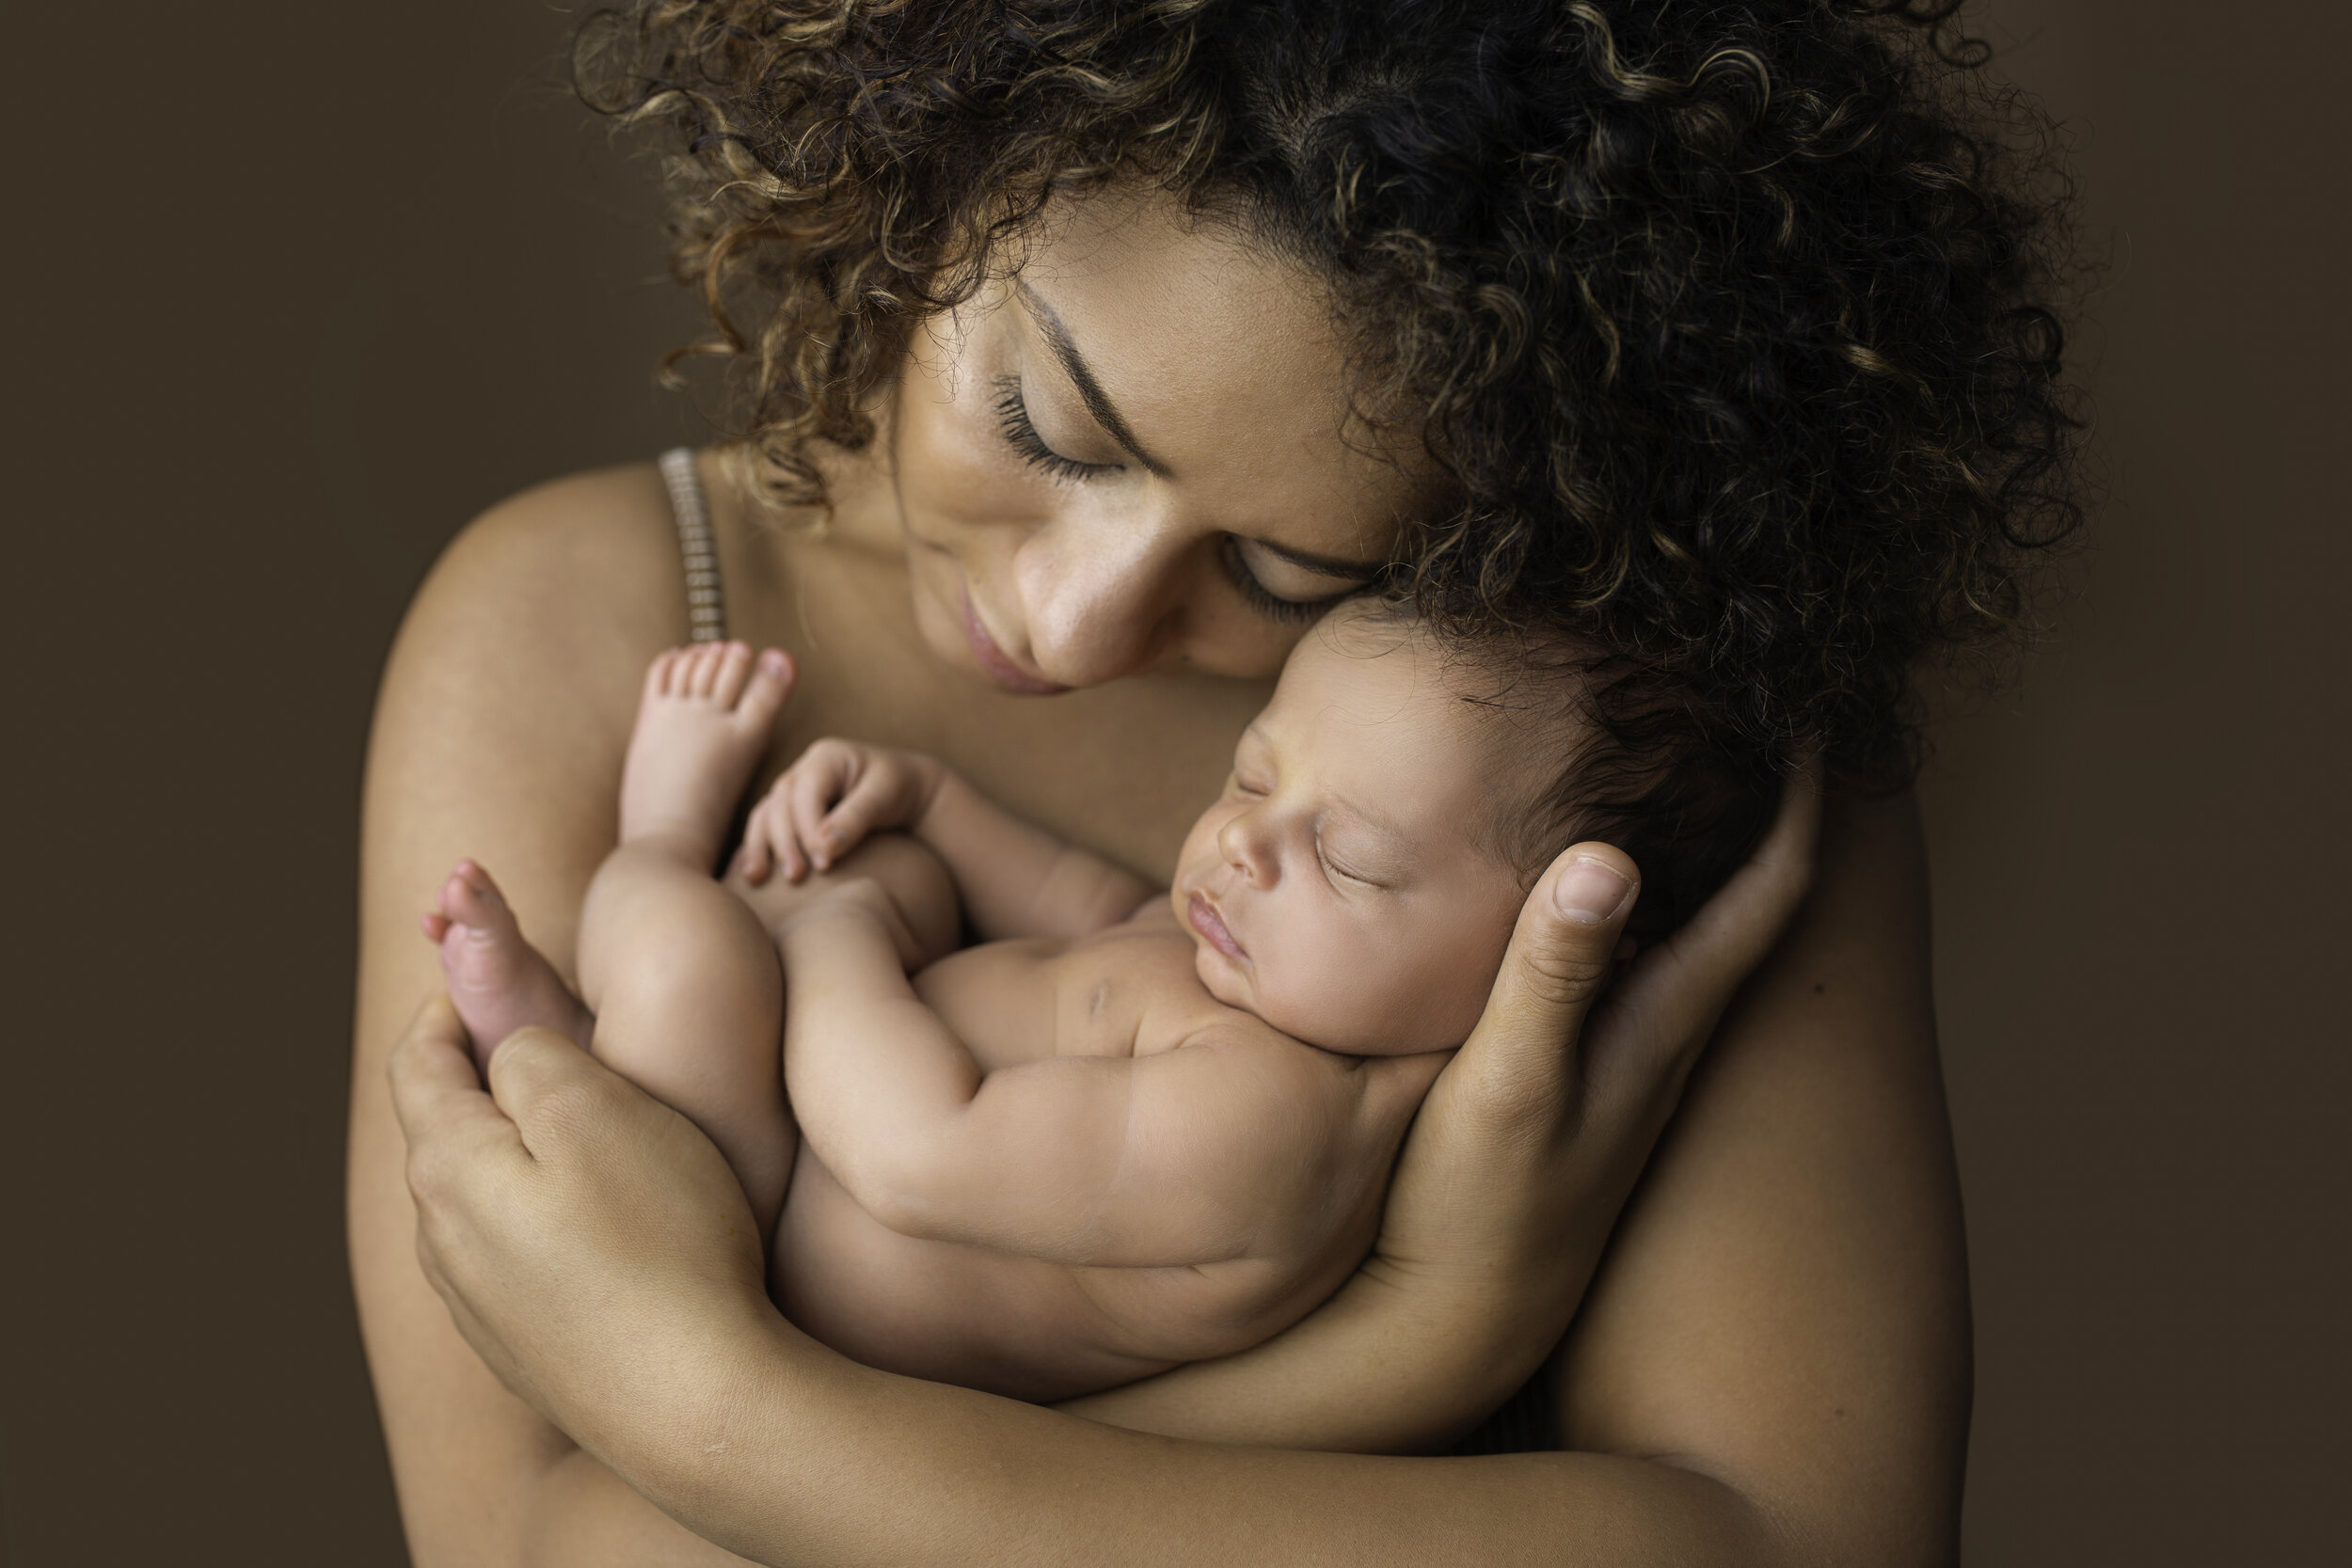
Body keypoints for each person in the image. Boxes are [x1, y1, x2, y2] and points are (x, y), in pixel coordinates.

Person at [356, 1, 2078, 1561]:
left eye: (1284, 571)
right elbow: (541, 1547)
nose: (1073, 618)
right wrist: (1410, 1337)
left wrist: (703, 1407)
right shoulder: (589, 616)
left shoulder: (1628, 732)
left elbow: (1800, 1550)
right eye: (1047, 426)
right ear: (940, 167)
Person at [424, 599, 1763, 1403]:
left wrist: (834, 932)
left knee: (688, 962)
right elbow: (1084, 905)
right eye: (1252, 778)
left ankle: (646, 851)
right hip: (830, 1077)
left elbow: (914, 1152)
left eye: (1348, 858)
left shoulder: (1273, 1124)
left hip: (767, 1214)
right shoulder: (1257, 969)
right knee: (887, 874)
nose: (1243, 845)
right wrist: (928, 802)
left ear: (1545, 953)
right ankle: (576, 1037)